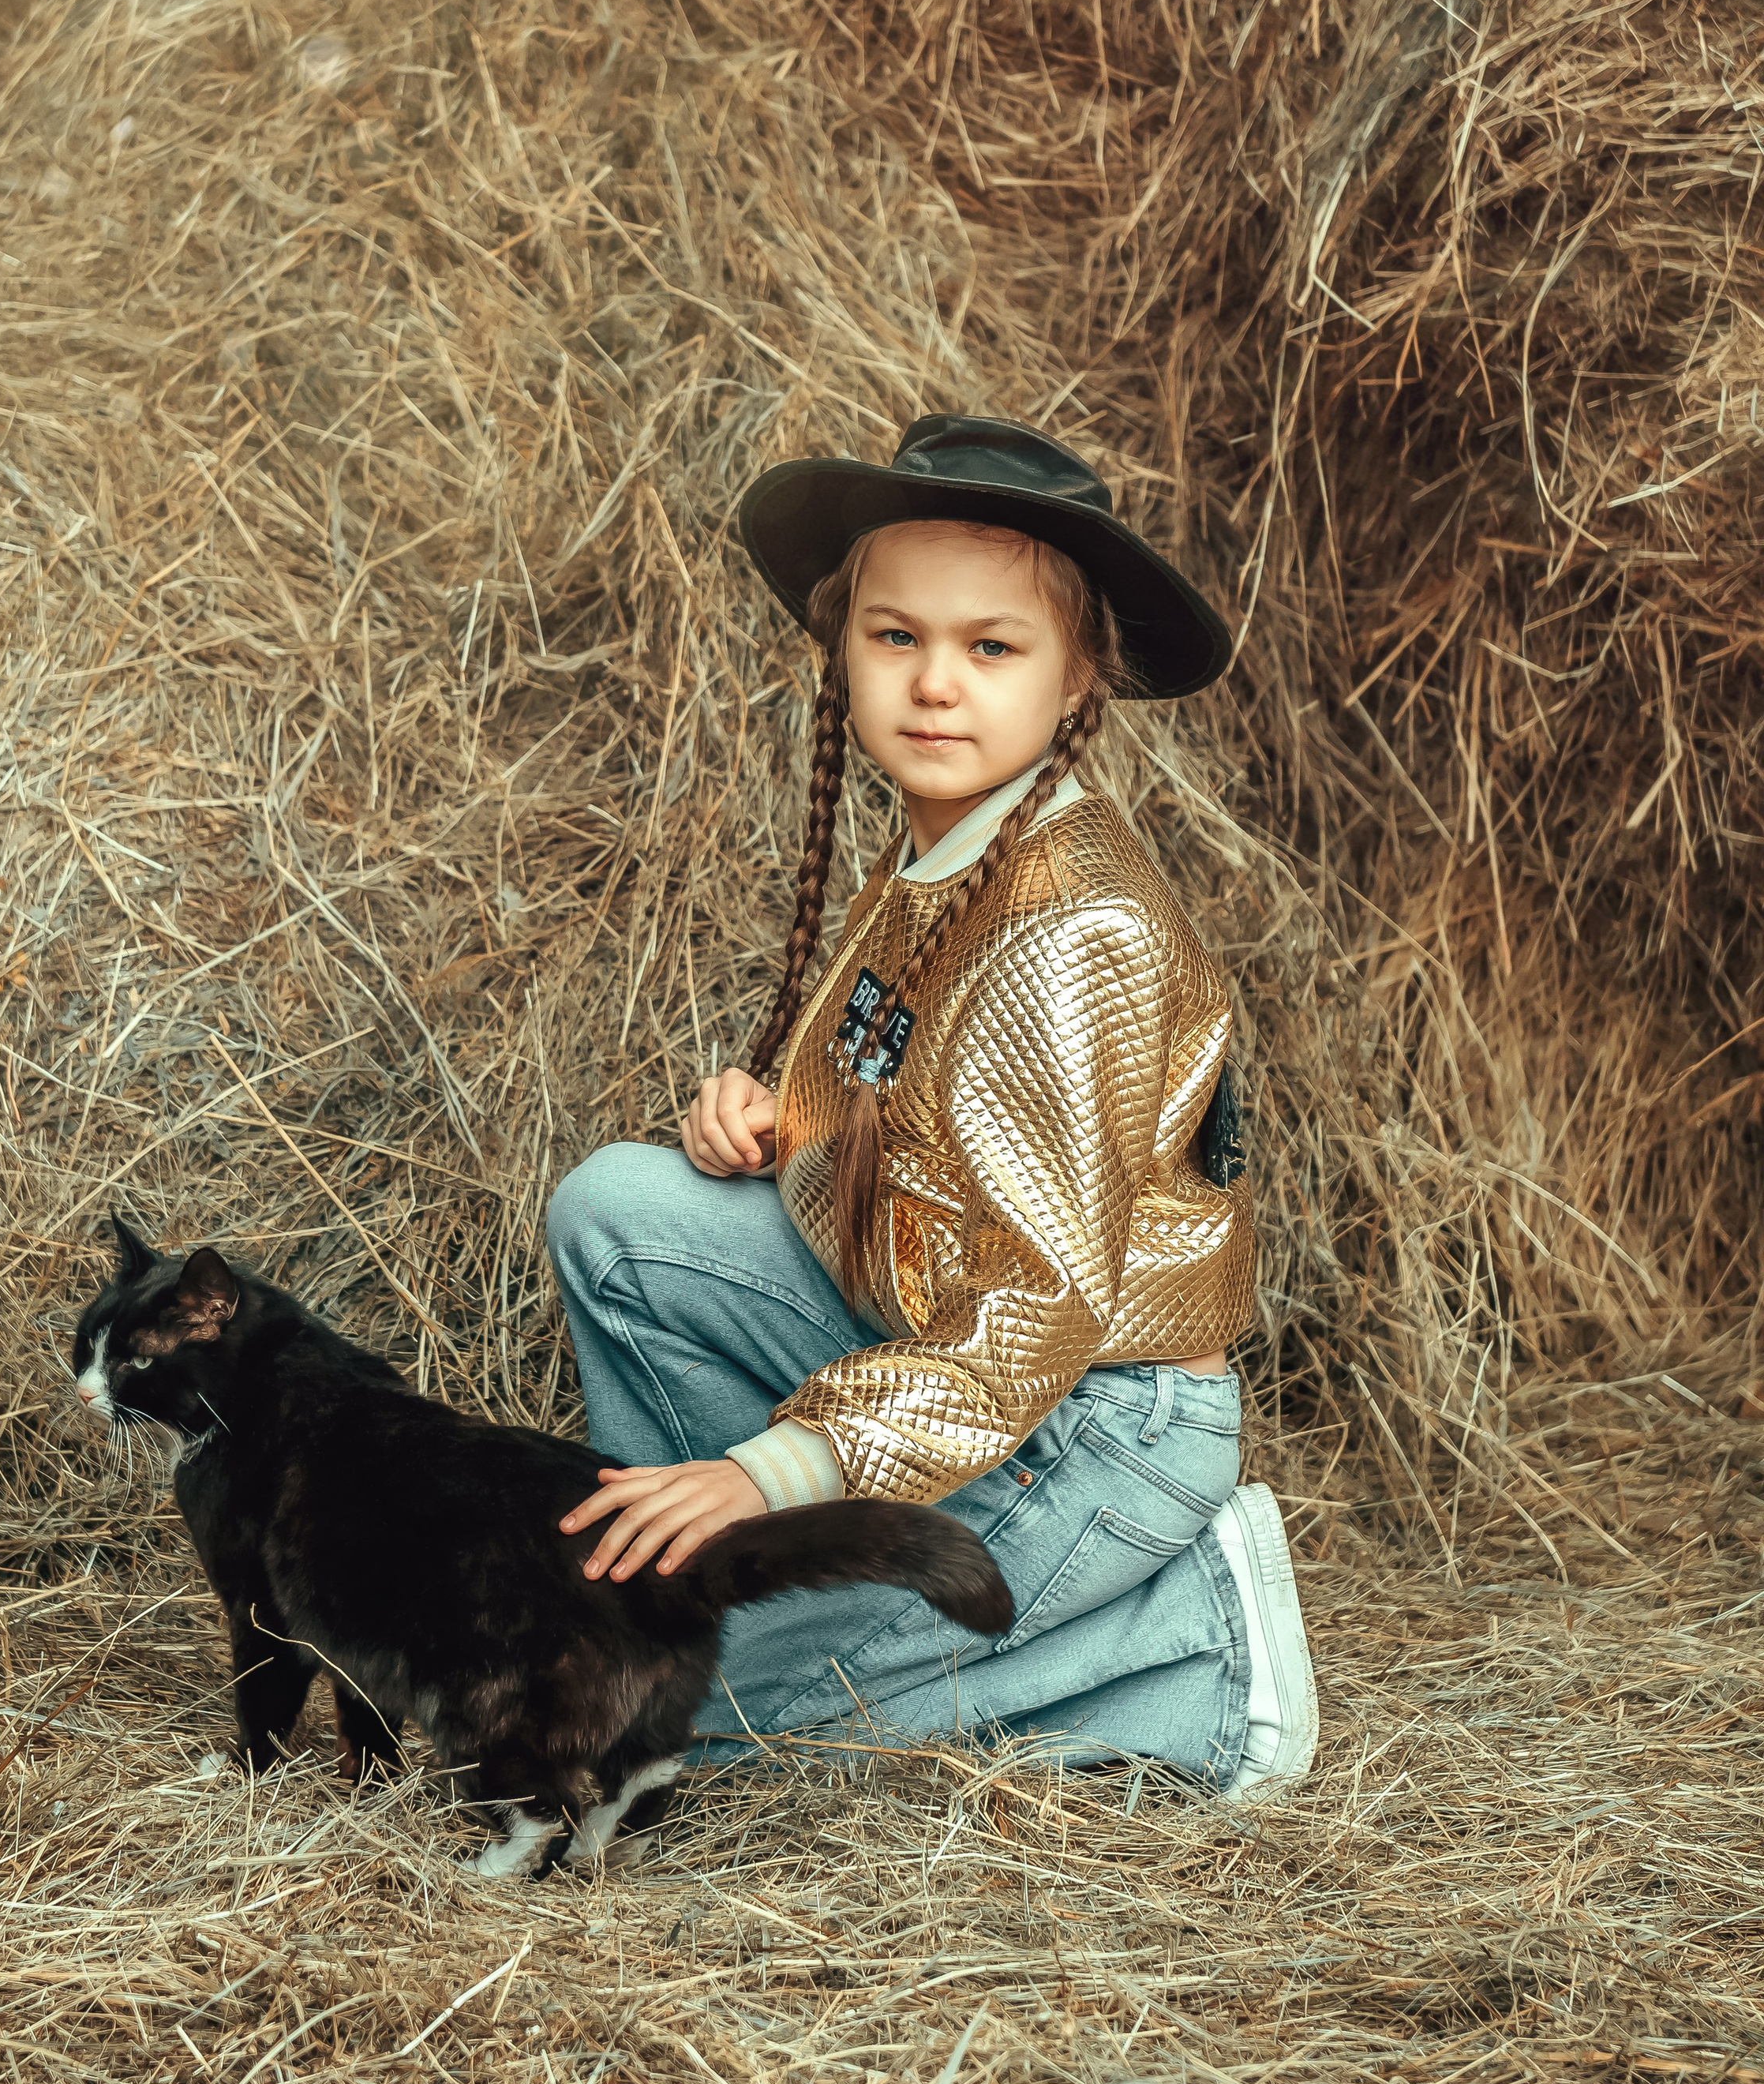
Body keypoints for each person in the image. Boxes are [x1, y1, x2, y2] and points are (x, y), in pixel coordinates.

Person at [547, 413, 1316, 1799]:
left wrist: (775, 1472)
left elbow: (1034, 1314)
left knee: (633, 1733)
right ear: (841, 651)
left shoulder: (1066, 927)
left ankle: (1190, 1648)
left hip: (1094, 1416)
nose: (935, 686)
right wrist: (773, 1118)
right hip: (949, 1351)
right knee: (620, 1212)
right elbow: (919, 1100)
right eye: (896, 638)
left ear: (1083, 675)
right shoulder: (950, 855)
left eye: (992, 648)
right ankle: (711, 1587)